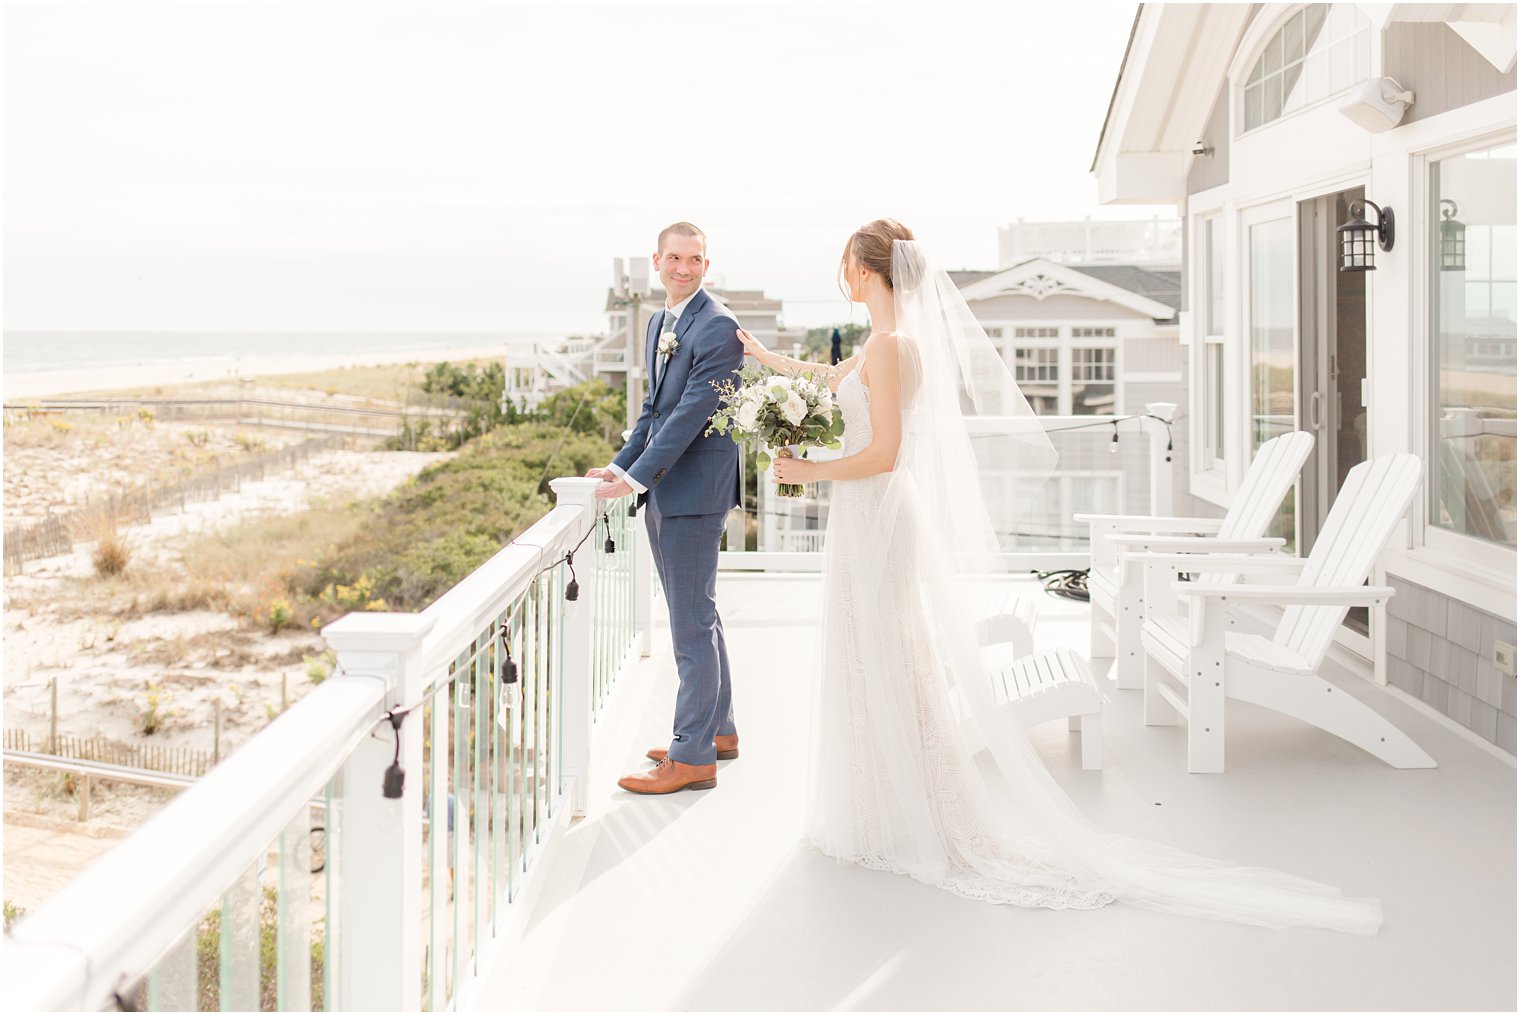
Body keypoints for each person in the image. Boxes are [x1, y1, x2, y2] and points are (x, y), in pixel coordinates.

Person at [737, 217, 1382, 934]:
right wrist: (770, 360)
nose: (842, 269)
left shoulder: (891, 347)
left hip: (877, 514)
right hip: (867, 520)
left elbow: (886, 451)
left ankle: (903, 814)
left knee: (885, 654)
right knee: (870, 655)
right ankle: (883, 805)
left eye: (845, 259)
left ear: (862, 268)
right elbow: (833, 382)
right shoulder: (881, 345)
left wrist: (808, 470)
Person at [589, 221, 745, 795]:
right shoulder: (662, 321)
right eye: (675, 258)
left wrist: (635, 479)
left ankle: (691, 756)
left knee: (689, 626)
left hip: (694, 493)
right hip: (667, 488)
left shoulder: (718, 326)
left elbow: (690, 416)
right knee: (699, 615)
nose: (685, 267)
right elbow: (654, 411)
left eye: (696, 259)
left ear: (708, 263)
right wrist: (619, 467)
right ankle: (718, 731)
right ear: (657, 260)